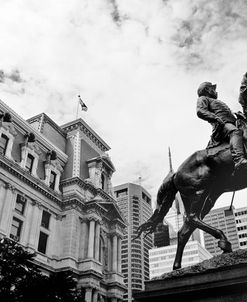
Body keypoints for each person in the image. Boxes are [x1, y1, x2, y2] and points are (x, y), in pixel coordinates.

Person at [196, 81, 247, 171]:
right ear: (207, 90)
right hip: (222, 125)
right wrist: (215, 118)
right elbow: (200, 111)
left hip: (233, 123)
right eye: (213, 89)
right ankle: (238, 159)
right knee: (235, 132)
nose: (215, 91)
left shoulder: (216, 101)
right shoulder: (203, 98)